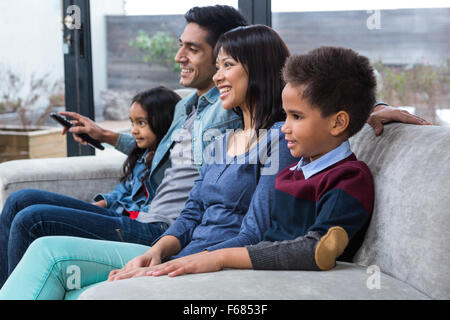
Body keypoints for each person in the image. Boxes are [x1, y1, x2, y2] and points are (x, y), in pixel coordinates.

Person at [0, 23, 295, 300]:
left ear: (258, 70)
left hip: (203, 260)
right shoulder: (220, 141)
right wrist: (155, 252)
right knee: (51, 254)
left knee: (44, 243)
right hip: (180, 249)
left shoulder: (279, 141)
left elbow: (254, 233)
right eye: (217, 67)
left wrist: (173, 263)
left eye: (227, 66)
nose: (218, 76)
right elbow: (191, 213)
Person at [141, 46, 378, 277]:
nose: (284, 127)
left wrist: (218, 257)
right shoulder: (292, 172)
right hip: (253, 273)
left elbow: (316, 249)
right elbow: (260, 235)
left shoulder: (349, 178)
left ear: (337, 123)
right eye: (286, 115)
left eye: (297, 117)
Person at [0, 87, 179, 286]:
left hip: (148, 228)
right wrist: (88, 212)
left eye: (142, 123)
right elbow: (128, 183)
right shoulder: (145, 152)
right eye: (132, 123)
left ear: (164, 123)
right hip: (123, 216)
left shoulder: (176, 156)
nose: (134, 130)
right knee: (19, 199)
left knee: (31, 219)